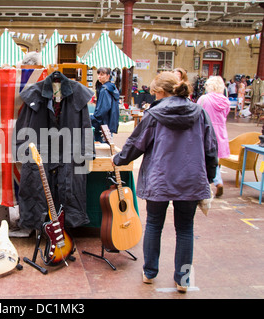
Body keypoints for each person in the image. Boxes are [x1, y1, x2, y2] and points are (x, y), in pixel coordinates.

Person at [112, 71, 218, 293]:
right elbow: (211, 149)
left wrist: (118, 159)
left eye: (153, 93)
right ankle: (183, 280)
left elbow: (135, 144)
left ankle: (150, 272)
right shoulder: (199, 113)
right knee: (185, 228)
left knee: (154, 225)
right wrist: (207, 178)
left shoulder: (154, 114)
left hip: (159, 179)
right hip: (190, 180)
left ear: (159, 92)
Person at [197, 76, 230, 197]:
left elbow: (197, 113)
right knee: (215, 159)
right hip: (221, 132)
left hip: (206, 131)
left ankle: (213, 182)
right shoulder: (225, 101)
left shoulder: (204, 99)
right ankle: (217, 181)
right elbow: (225, 115)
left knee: (204, 159)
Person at [91, 67, 120, 142]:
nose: (99, 76)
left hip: (103, 124)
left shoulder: (105, 89)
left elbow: (103, 109)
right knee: (107, 145)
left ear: (108, 76)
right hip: (109, 123)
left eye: (102, 74)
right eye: (98, 74)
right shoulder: (112, 87)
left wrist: (93, 118)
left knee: (102, 149)